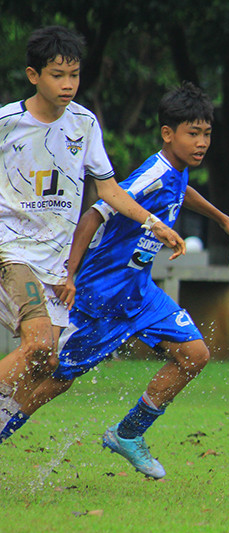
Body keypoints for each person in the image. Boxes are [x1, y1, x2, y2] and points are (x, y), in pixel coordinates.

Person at [0, 82, 229, 479]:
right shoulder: (152, 173)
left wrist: (223, 219)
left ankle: (128, 433)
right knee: (51, 380)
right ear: (168, 134)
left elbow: (182, 191)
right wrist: (69, 273)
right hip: (99, 298)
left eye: (206, 133)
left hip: (139, 293)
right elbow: (94, 214)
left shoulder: (176, 172)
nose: (202, 142)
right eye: (193, 134)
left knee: (195, 354)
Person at [0, 25, 185, 442]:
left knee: (46, 364)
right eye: (57, 75)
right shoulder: (7, 122)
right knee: (38, 345)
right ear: (33, 76)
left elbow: (109, 191)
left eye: (74, 75)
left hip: (54, 263)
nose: (68, 84)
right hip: (11, 251)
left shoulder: (84, 124)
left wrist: (154, 224)